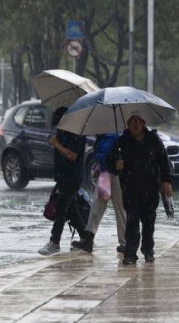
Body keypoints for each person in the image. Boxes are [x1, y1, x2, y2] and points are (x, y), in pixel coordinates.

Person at [111, 115, 173, 265]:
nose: (135, 123)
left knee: (148, 222)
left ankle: (148, 250)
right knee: (132, 221)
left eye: (138, 120)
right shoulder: (121, 142)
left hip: (151, 188)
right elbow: (110, 163)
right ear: (128, 124)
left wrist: (167, 181)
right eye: (132, 120)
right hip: (130, 189)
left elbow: (164, 162)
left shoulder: (154, 140)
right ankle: (130, 254)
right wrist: (115, 165)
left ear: (144, 123)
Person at [38, 107, 87, 256]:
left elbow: (72, 156)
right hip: (62, 177)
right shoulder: (61, 133)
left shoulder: (78, 134)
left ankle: (55, 242)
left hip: (73, 177)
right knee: (71, 209)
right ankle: (86, 238)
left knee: (61, 207)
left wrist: (56, 144)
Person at [71, 133, 126, 253]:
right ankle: (89, 239)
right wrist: (99, 168)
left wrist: (102, 164)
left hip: (114, 176)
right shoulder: (103, 136)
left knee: (118, 208)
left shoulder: (109, 135)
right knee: (98, 206)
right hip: (106, 174)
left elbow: (104, 155)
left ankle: (124, 242)